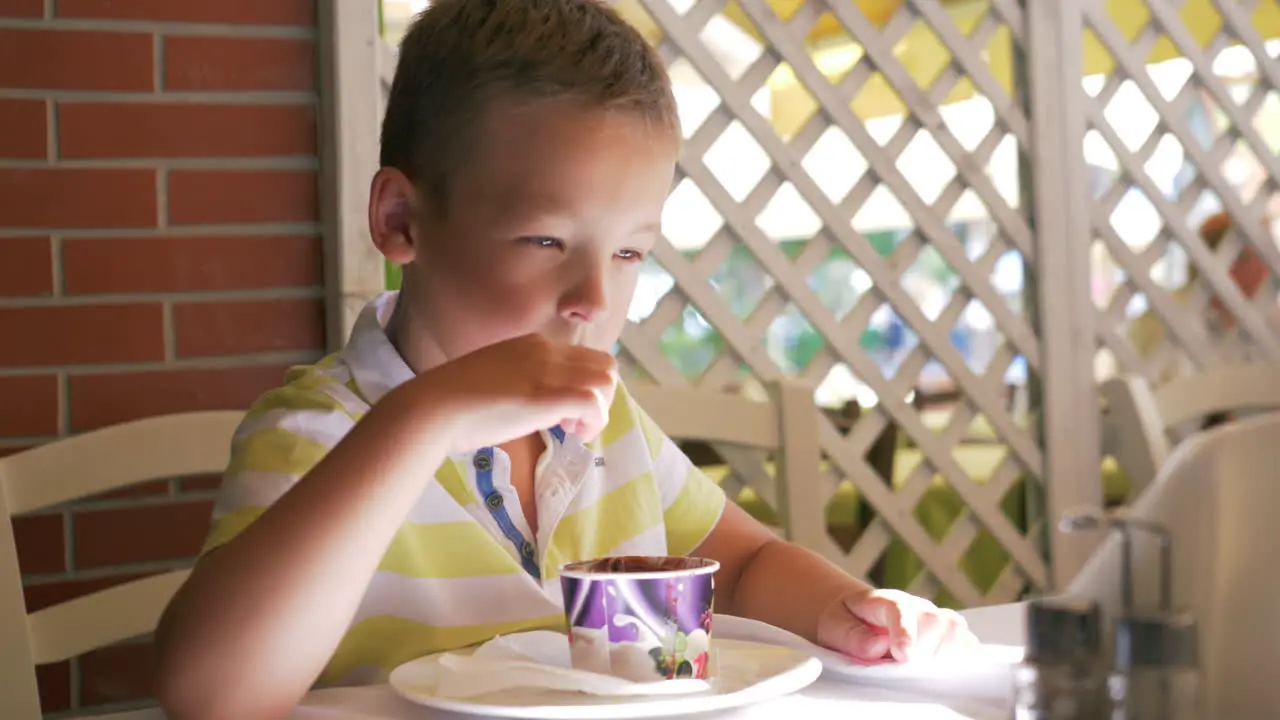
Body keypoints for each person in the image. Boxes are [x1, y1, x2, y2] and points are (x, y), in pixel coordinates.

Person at [153, 2, 976, 717]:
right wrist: (422, 417)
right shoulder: (318, 434)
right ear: (402, 220)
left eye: (629, 254)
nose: (592, 296)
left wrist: (850, 607)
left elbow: (750, 560)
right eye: (546, 240)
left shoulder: (607, 426)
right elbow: (213, 698)